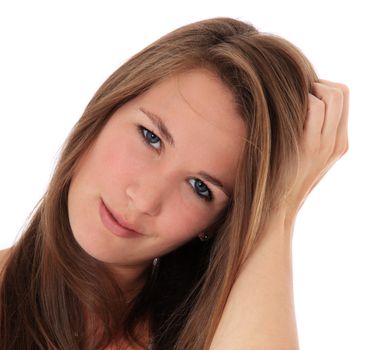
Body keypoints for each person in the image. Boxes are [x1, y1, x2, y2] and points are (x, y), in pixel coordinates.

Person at [0, 17, 349, 350]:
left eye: (200, 187)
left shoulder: (219, 334)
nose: (145, 199)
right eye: (150, 137)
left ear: (215, 224)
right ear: (105, 112)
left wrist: (278, 207)